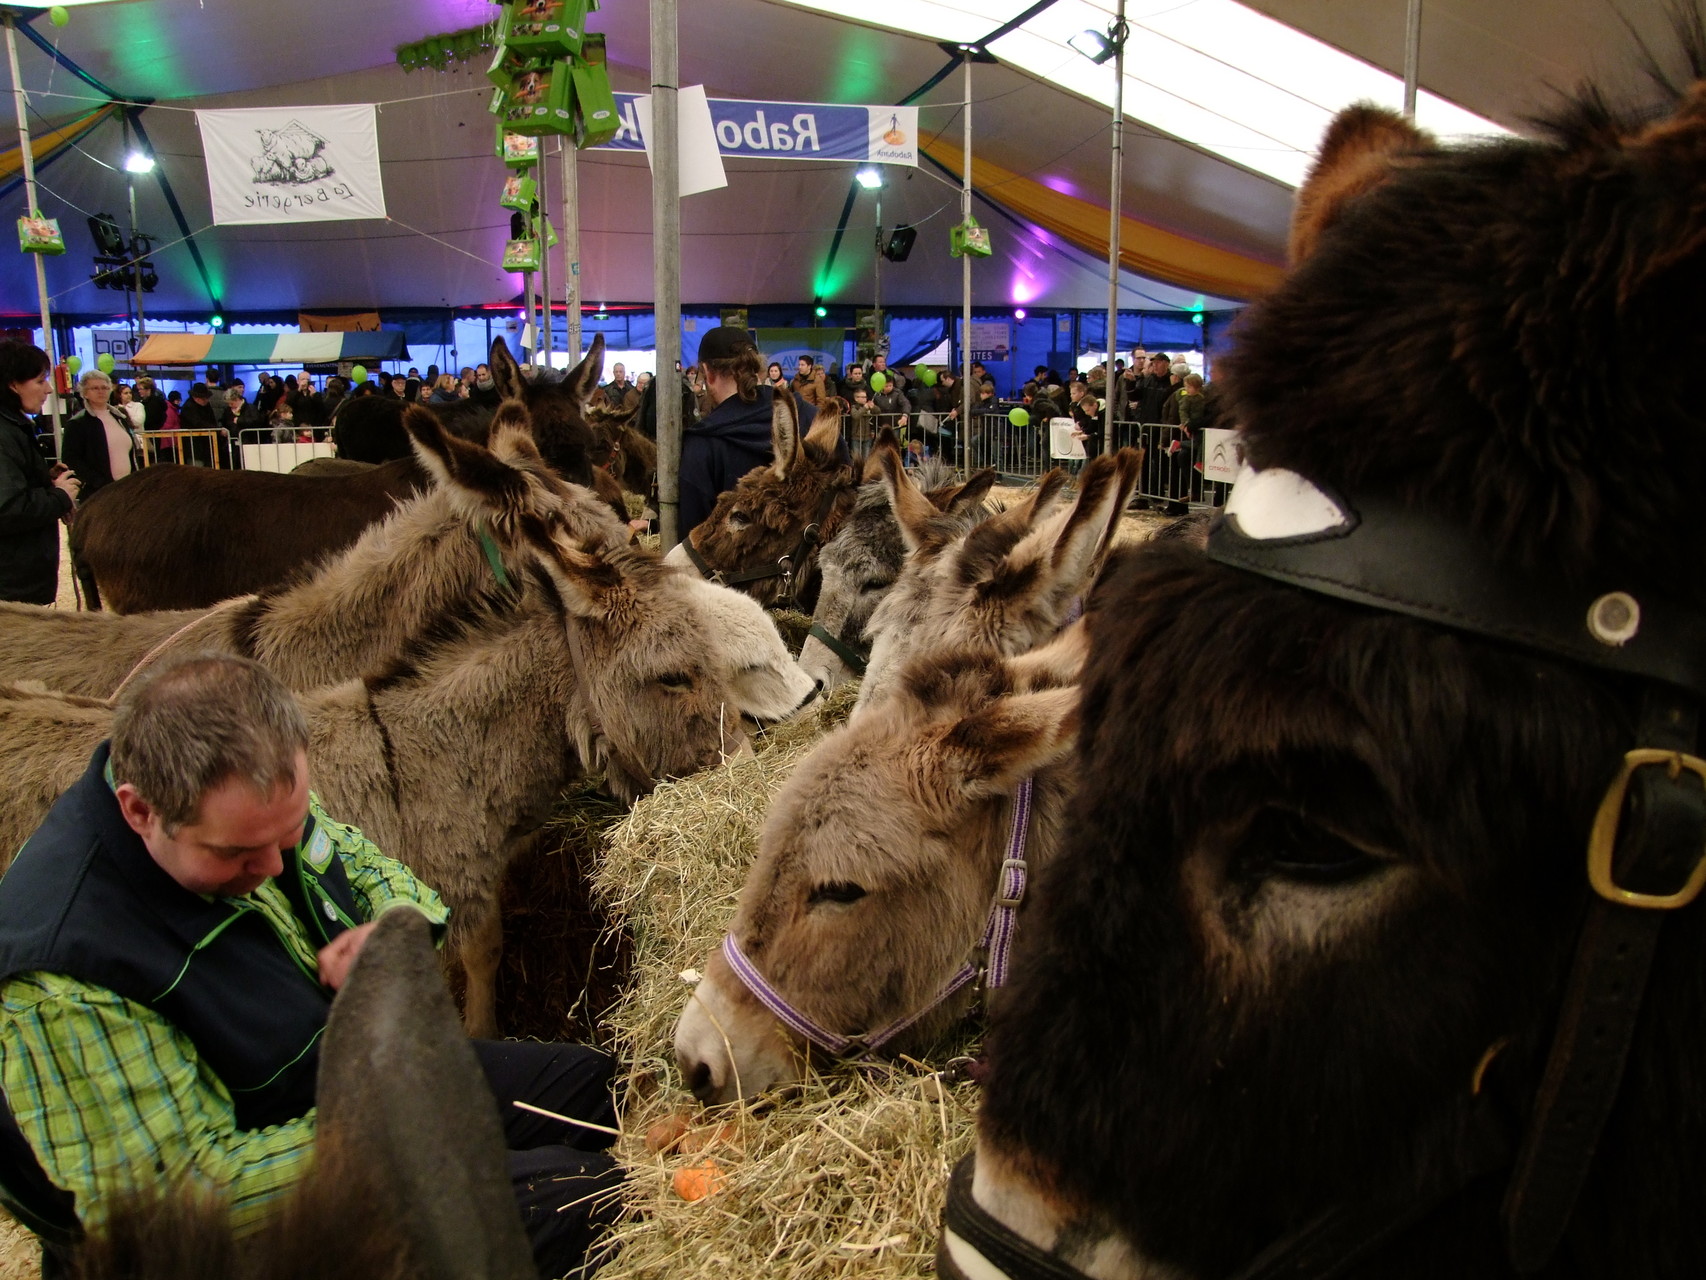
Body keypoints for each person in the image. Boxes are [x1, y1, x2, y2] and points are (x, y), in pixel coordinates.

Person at [0, 654, 624, 1278]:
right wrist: (408, 1127)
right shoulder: (64, 975)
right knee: (585, 1202)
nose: (273, 867)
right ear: (141, 812)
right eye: (238, 854)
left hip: (340, 1079)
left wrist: (395, 934)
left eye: (290, 833)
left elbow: (370, 870)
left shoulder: (251, 803)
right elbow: (188, 1197)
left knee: (600, 1090)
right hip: (247, 1217)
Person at [677, 326, 819, 537]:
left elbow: (693, 533)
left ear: (706, 371)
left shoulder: (702, 444)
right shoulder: (808, 416)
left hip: (738, 566)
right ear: (757, 366)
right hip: (811, 562)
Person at [0, 341, 81, 604]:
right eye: (40, 380)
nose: (48, 389)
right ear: (13, 385)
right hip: (11, 587)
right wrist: (59, 496)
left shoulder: (15, 425)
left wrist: (44, 479)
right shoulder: (4, 431)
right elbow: (8, 508)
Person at [58, 370, 140, 501]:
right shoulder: (77, 423)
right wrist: (97, 481)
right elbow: (71, 458)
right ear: (85, 392)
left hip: (126, 488)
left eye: (104, 387)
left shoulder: (119, 417)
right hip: (98, 492)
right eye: (95, 388)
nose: (101, 391)